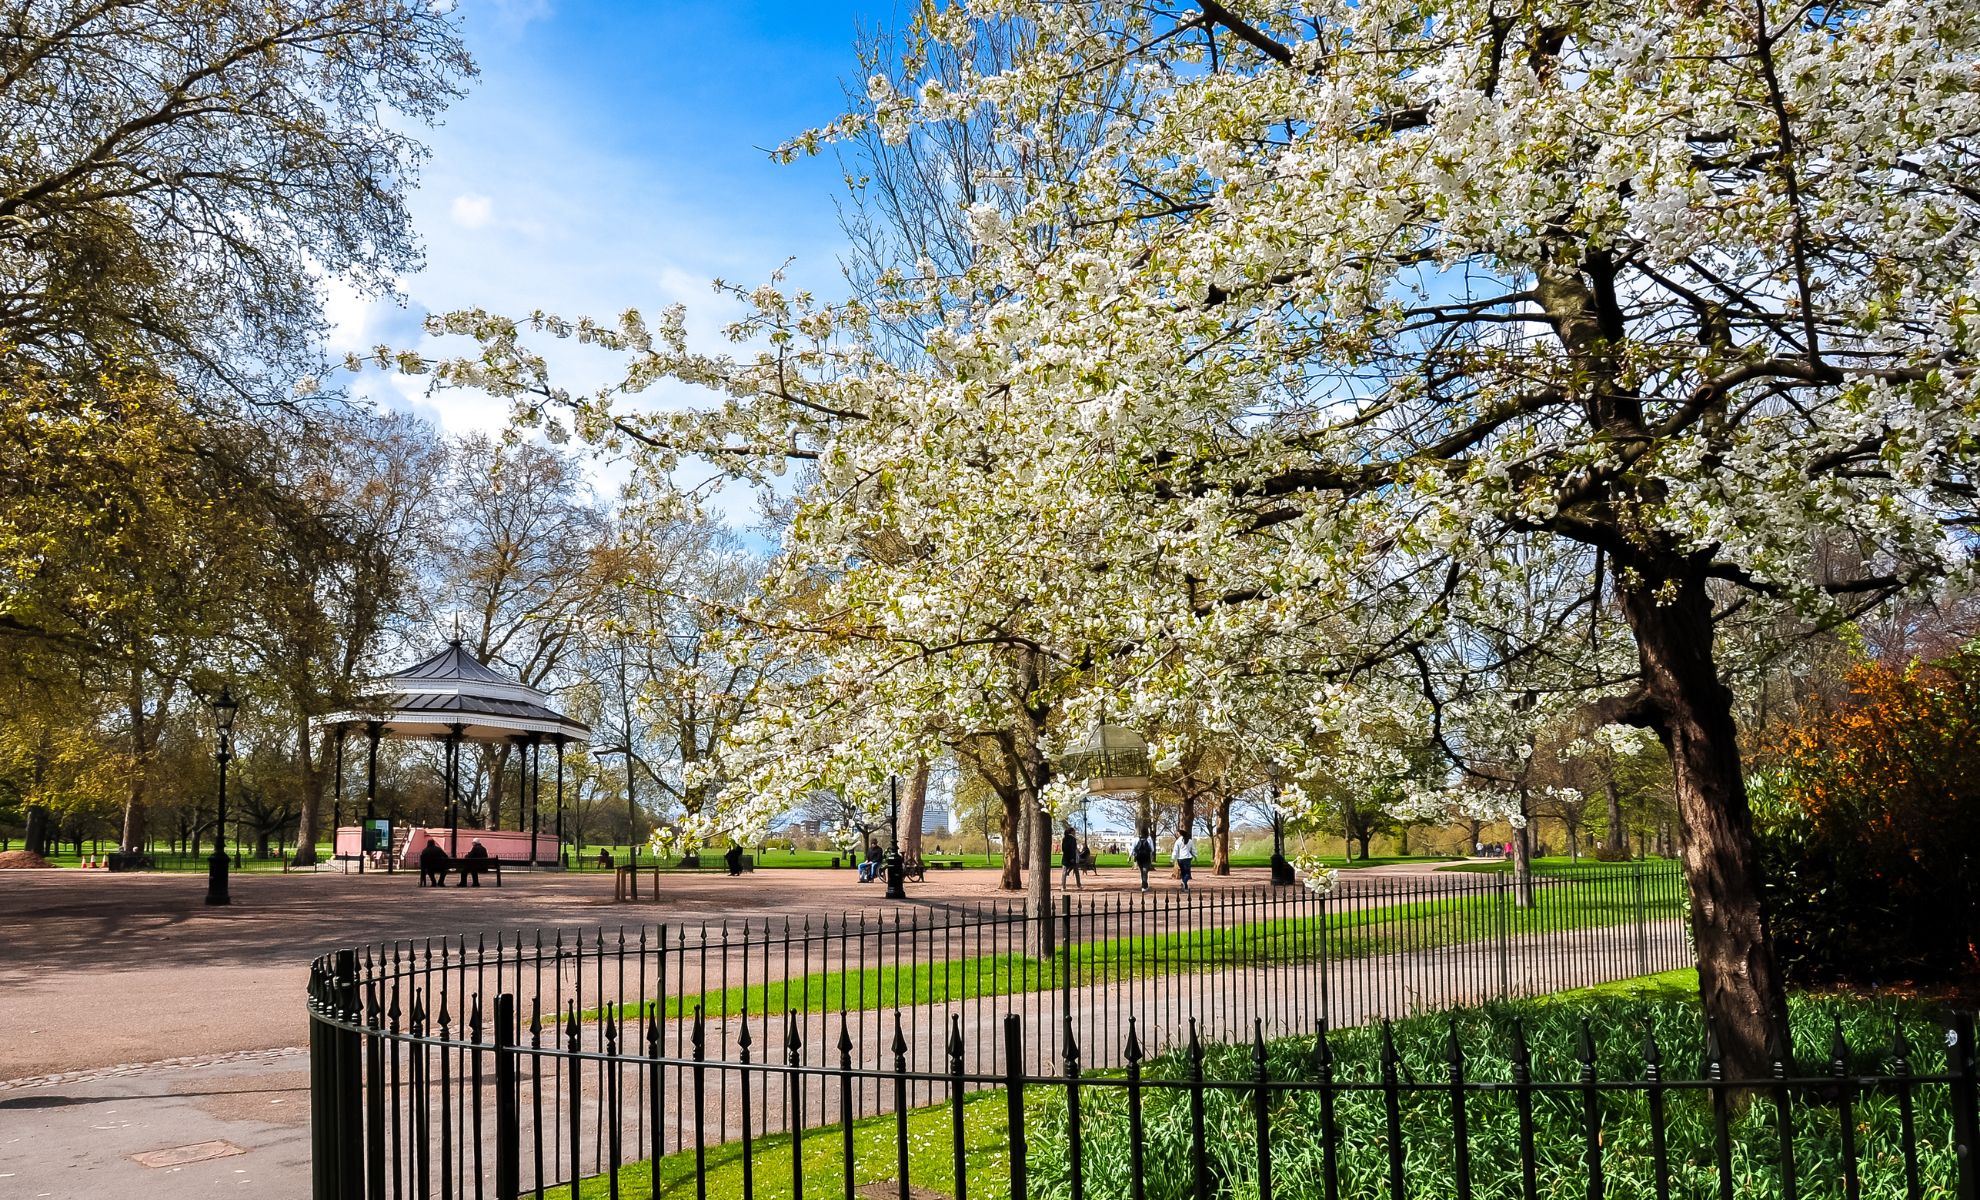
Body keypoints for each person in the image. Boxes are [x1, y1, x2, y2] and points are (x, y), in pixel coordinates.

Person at [1172, 827, 1197, 892]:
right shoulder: (1190, 841)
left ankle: (1185, 887)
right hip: (1187, 858)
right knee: (1188, 874)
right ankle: (1184, 882)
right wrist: (1195, 856)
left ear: (1180, 834)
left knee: (1183, 873)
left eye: (1178, 833)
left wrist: (1173, 859)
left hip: (1180, 859)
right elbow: (1193, 850)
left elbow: (1175, 851)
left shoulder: (1178, 841)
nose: (1177, 834)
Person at [1060, 822, 1083, 889]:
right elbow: (1072, 849)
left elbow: (1064, 848)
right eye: (1074, 831)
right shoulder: (1072, 839)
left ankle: (1063, 886)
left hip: (1065, 857)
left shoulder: (1064, 838)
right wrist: (1072, 857)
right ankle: (1079, 885)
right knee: (1076, 872)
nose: (1075, 832)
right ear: (1072, 832)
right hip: (1072, 857)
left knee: (1064, 872)